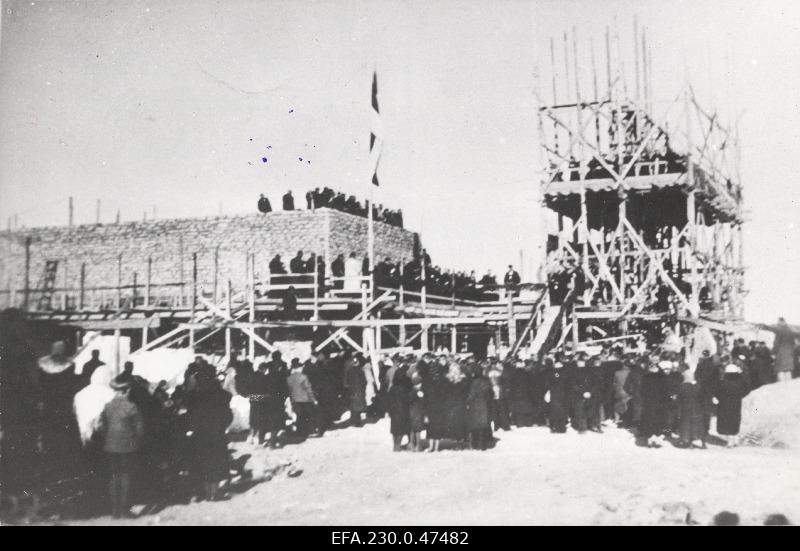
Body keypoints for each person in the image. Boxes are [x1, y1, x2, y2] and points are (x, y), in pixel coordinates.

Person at [99, 376, 144, 518]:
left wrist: (107, 440)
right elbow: (140, 429)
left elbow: (101, 427)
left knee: (113, 477)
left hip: (110, 446)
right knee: (125, 476)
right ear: (127, 390)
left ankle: (115, 511)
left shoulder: (107, 406)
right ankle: (124, 510)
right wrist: (137, 442)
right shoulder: (131, 406)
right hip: (127, 446)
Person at [186, 369, 233, 501]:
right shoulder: (221, 394)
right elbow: (228, 415)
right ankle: (214, 492)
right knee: (216, 461)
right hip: (216, 432)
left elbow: (189, 414)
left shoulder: (193, 396)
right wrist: (223, 426)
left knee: (202, 462)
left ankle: (205, 492)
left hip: (200, 433)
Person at [715, 363, 751, 447]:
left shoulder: (723, 381)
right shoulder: (740, 381)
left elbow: (717, 392)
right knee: (735, 420)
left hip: (724, 404)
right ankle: (735, 439)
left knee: (727, 422)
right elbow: (746, 390)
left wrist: (720, 398)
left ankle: (730, 441)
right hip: (736, 404)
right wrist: (740, 396)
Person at [287, 359, 317, 440]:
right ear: (299, 368)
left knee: (299, 416)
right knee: (307, 415)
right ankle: (309, 431)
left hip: (295, 400)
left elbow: (289, 390)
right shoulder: (303, 377)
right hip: (305, 399)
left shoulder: (289, 378)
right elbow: (308, 389)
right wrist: (313, 399)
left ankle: (300, 431)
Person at [465, 366, 494, 450]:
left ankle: (476, 444)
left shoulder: (474, 382)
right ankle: (483, 445)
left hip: (475, 406)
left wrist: (467, 402)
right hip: (485, 405)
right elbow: (491, 393)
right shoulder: (486, 381)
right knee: (483, 425)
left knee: (476, 426)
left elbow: (472, 395)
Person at [676, 370, 707, 448]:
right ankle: (703, 443)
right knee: (699, 425)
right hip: (697, 408)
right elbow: (702, 397)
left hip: (686, 408)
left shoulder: (682, 386)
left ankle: (690, 443)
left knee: (688, 425)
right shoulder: (697, 385)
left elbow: (679, 399)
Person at [387, 367, 413, 451]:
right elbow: (408, 399)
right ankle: (397, 446)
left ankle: (395, 445)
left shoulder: (392, 389)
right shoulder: (404, 389)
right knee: (401, 430)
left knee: (395, 430)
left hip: (394, 411)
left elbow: (388, 401)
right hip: (403, 411)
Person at [545, 357, 570, 433]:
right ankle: (556, 427)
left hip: (559, 395)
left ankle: (558, 427)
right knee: (557, 412)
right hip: (557, 395)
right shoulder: (555, 372)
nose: (557, 365)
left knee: (558, 412)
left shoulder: (556, 372)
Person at [343, 352, 368, 426]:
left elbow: (347, 381)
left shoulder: (349, 371)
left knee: (353, 407)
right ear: (358, 362)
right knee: (358, 407)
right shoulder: (361, 371)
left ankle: (353, 421)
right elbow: (364, 381)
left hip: (352, 391)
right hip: (359, 390)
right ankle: (357, 422)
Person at [248, 362, 270, 445]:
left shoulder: (251, 375)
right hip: (261, 399)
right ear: (264, 369)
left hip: (252, 398)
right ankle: (258, 437)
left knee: (253, 417)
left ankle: (250, 436)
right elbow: (266, 389)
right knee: (260, 418)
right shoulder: (264, 378)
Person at [772, 318, 797, 382]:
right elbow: (793, 343)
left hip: (781, 352)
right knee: (788, 369)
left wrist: (773, 353)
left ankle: (782, 385)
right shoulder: (790, 330)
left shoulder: (779, 330)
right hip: (789, 352)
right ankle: (789, 385)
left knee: (780, 369)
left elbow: (776, 343)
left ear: (780, 322)